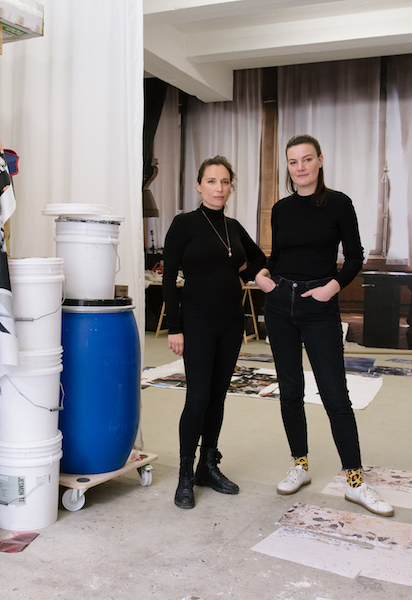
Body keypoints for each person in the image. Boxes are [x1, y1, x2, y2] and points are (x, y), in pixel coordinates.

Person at [254, 135, 394, 517]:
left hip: (319, 304)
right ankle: (299, 464)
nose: (299, 167)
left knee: (335, 395)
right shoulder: (280, 209)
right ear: (288, 166)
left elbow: (354, 256)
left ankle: (355, 481)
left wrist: (331, 288)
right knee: (289, 391)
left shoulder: (338, 203)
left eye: (306, 159)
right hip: (281, 303)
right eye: (293, 161)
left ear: (319, 162)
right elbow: (278, 256)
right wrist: (265, 273)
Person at [163, 156, 266, 509]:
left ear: (230, 186)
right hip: (197, 321)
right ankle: (185, 475)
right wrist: (175, 327)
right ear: (199, 185)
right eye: (211, 181)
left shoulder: (234, 227)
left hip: (231, 323)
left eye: (224, 182)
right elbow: (167, 277)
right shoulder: (184, 224)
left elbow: (259, 258)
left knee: (218, 397)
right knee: (198, 398)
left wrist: (242, 277)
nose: (218, 188)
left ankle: (209, 465)